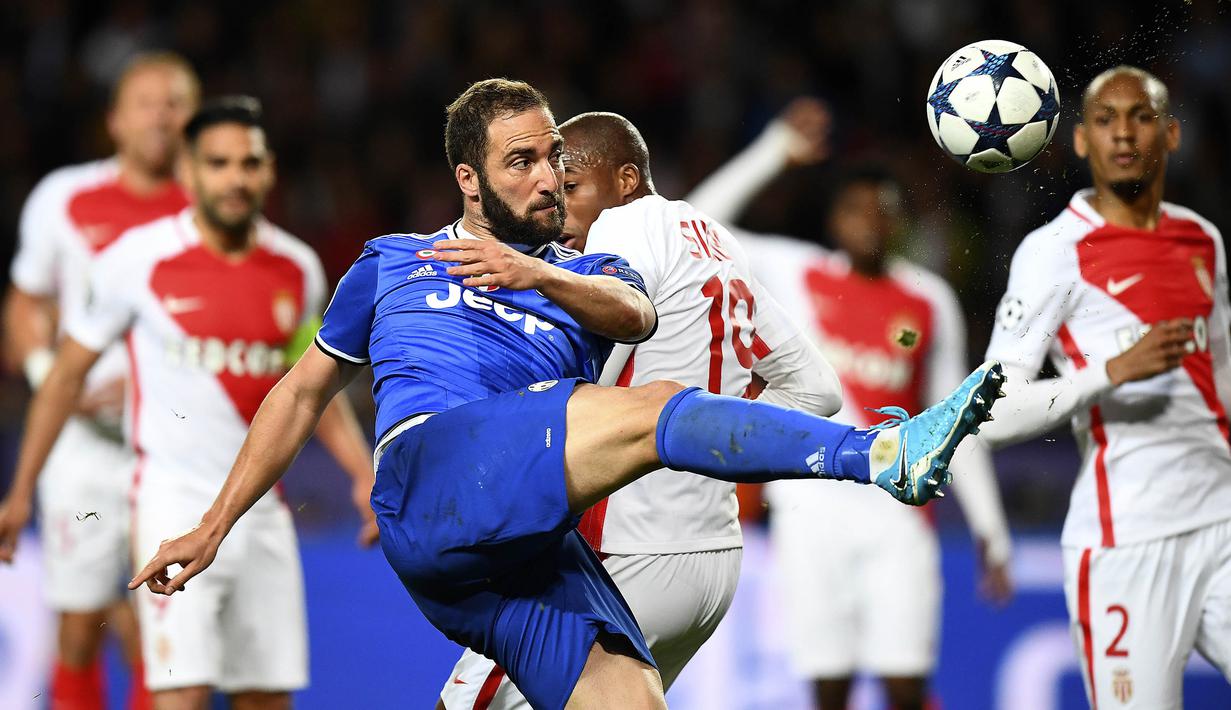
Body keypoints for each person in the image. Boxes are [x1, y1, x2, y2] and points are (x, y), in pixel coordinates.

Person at [128, 79, 1003, 710]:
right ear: (468, 180)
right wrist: (212, 524)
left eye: (552, 156)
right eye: (519, 161)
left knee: (628, 698)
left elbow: (632, 310)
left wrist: (529, 275)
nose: (546, 176)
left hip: (515, 549)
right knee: (652, 408)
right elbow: (298, 394)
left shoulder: (585, 272)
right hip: (431, 474)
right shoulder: (392, 261)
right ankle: (881, 452)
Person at [438, 111, 845, 709]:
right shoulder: (712, 239)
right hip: (711, 561)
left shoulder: (620, 232)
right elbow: (817, 391)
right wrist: (712, 436)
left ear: (626, 179)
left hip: (625, 553)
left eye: (572, 185)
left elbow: (584, 377)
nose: (558, 201)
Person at [0, 96, 379, 710]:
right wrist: (20, 493)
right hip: (170, 508)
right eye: (219, 163)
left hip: (260, 515)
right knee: (182, 693)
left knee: (266, 699)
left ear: (270, 170)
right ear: (190, 173)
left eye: (249, 163)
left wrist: (361, 472)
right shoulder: (134, 261)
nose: (236, 178)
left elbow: (308, 386)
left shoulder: (298, 268)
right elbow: (65, 379)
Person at [687, 101, 1014, 710]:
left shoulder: (927, 300)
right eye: (855, 207)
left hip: (896, 512)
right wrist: (772, 153)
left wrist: (990, 527)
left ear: (900, 222)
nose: (869, 220)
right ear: (833, 219)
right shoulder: (796, 273)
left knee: (904, 685)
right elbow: (697, 223)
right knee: (829, 687)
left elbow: (953, 421)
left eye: (882, 210)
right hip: (810, 507)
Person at [980, 65, 1231, 708]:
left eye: (1141, 117)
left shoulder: (1201, 240)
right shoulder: (1053, 252)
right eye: (1104, 120)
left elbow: (1220, 382)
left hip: (1223, 524)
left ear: (1172, 135)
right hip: (1127, 539)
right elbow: (990, 415)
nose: (1124, 134)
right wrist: (1111, 371)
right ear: (1081, 142)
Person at [1, 51, 199, 709]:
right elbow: (25, 301)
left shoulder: (211, 210)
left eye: (176, 102)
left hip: (170, 449)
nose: (161, 115)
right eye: (146, 101)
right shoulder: (65, 198)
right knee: (81, 625)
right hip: (80, 448)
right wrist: (45, 372)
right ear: (115, 120)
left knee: (159, 625)